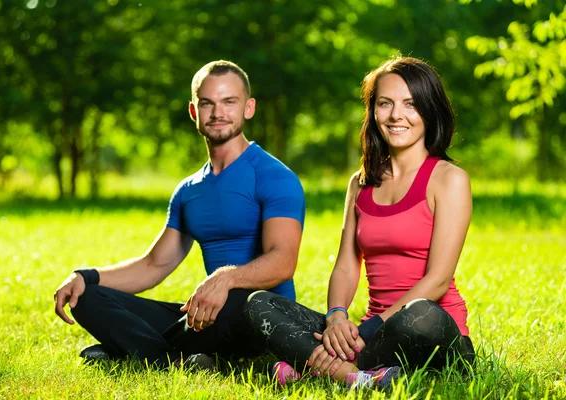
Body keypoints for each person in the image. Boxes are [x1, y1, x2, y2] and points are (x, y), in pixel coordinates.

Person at [53, 60, 305, 368]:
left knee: (240, 301)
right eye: (207, 103)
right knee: (88, 297)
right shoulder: (189, 190)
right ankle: (173, 358)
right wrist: (86, 276)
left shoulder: (274, 176)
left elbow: (283, 262)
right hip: (209, 314)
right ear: (193, 111)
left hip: (258, 314)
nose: (218, 113)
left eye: (229, 102)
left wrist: (226, 278)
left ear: (248, 108)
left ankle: (136, 351)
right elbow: (153, 265)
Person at [244, 56, 474, 390]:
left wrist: (365, 333)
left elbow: (437, 281)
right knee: (259, 303)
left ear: (429, 110)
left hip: (426, 330)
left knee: (421, 314)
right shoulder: (361, 183)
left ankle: (321, 367)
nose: (396, 115)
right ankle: (362, 377)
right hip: (365, 333)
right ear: (373, 111)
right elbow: (346, 267)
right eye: (385, 103)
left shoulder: (449, 180)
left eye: (411, 104)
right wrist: (337, 315)